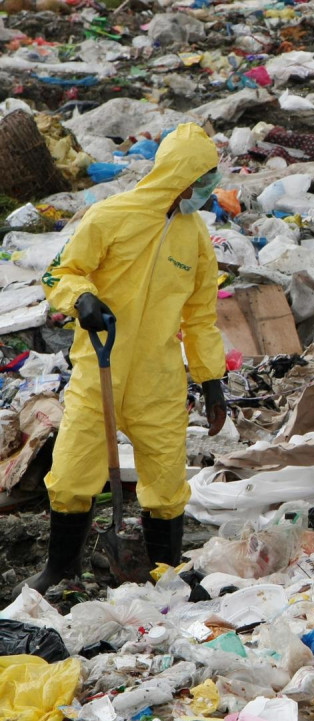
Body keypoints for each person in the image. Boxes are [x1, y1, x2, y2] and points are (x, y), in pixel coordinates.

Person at [31, 122, 228, 592]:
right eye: (201, 180)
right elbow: (62, 272)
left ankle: (165, 574)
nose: (205, 190)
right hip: (99, 365)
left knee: (166, 477)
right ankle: (60, 569)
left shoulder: (194, 236)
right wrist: (81, 298)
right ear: (178, 176)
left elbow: (201, 314)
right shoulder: (109, 216)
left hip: (158, 376)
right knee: (75, 470)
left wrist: (211, 380)